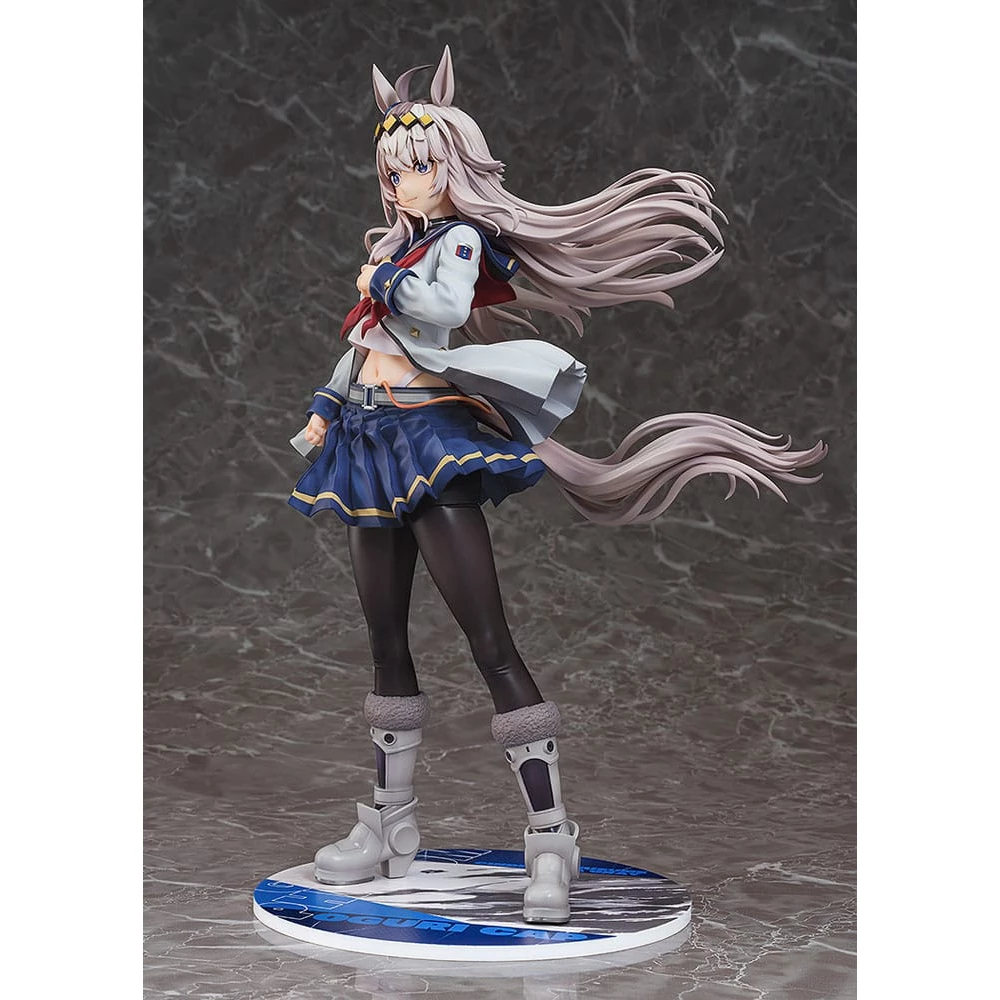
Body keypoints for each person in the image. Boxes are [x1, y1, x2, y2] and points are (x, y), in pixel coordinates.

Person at [287, 47, 826, 925]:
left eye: (416, 167)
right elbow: (366, 345)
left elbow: (441, 312)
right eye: (391, 171)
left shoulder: (456, 242)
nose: (401, 183)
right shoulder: (397, 247)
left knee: (489, 642)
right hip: (366, 441)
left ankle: (549, 836)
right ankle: (389, 825)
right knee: (385, 640)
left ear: (453, 167)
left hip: (428, 445)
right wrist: (325, 406)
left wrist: (382, 278)